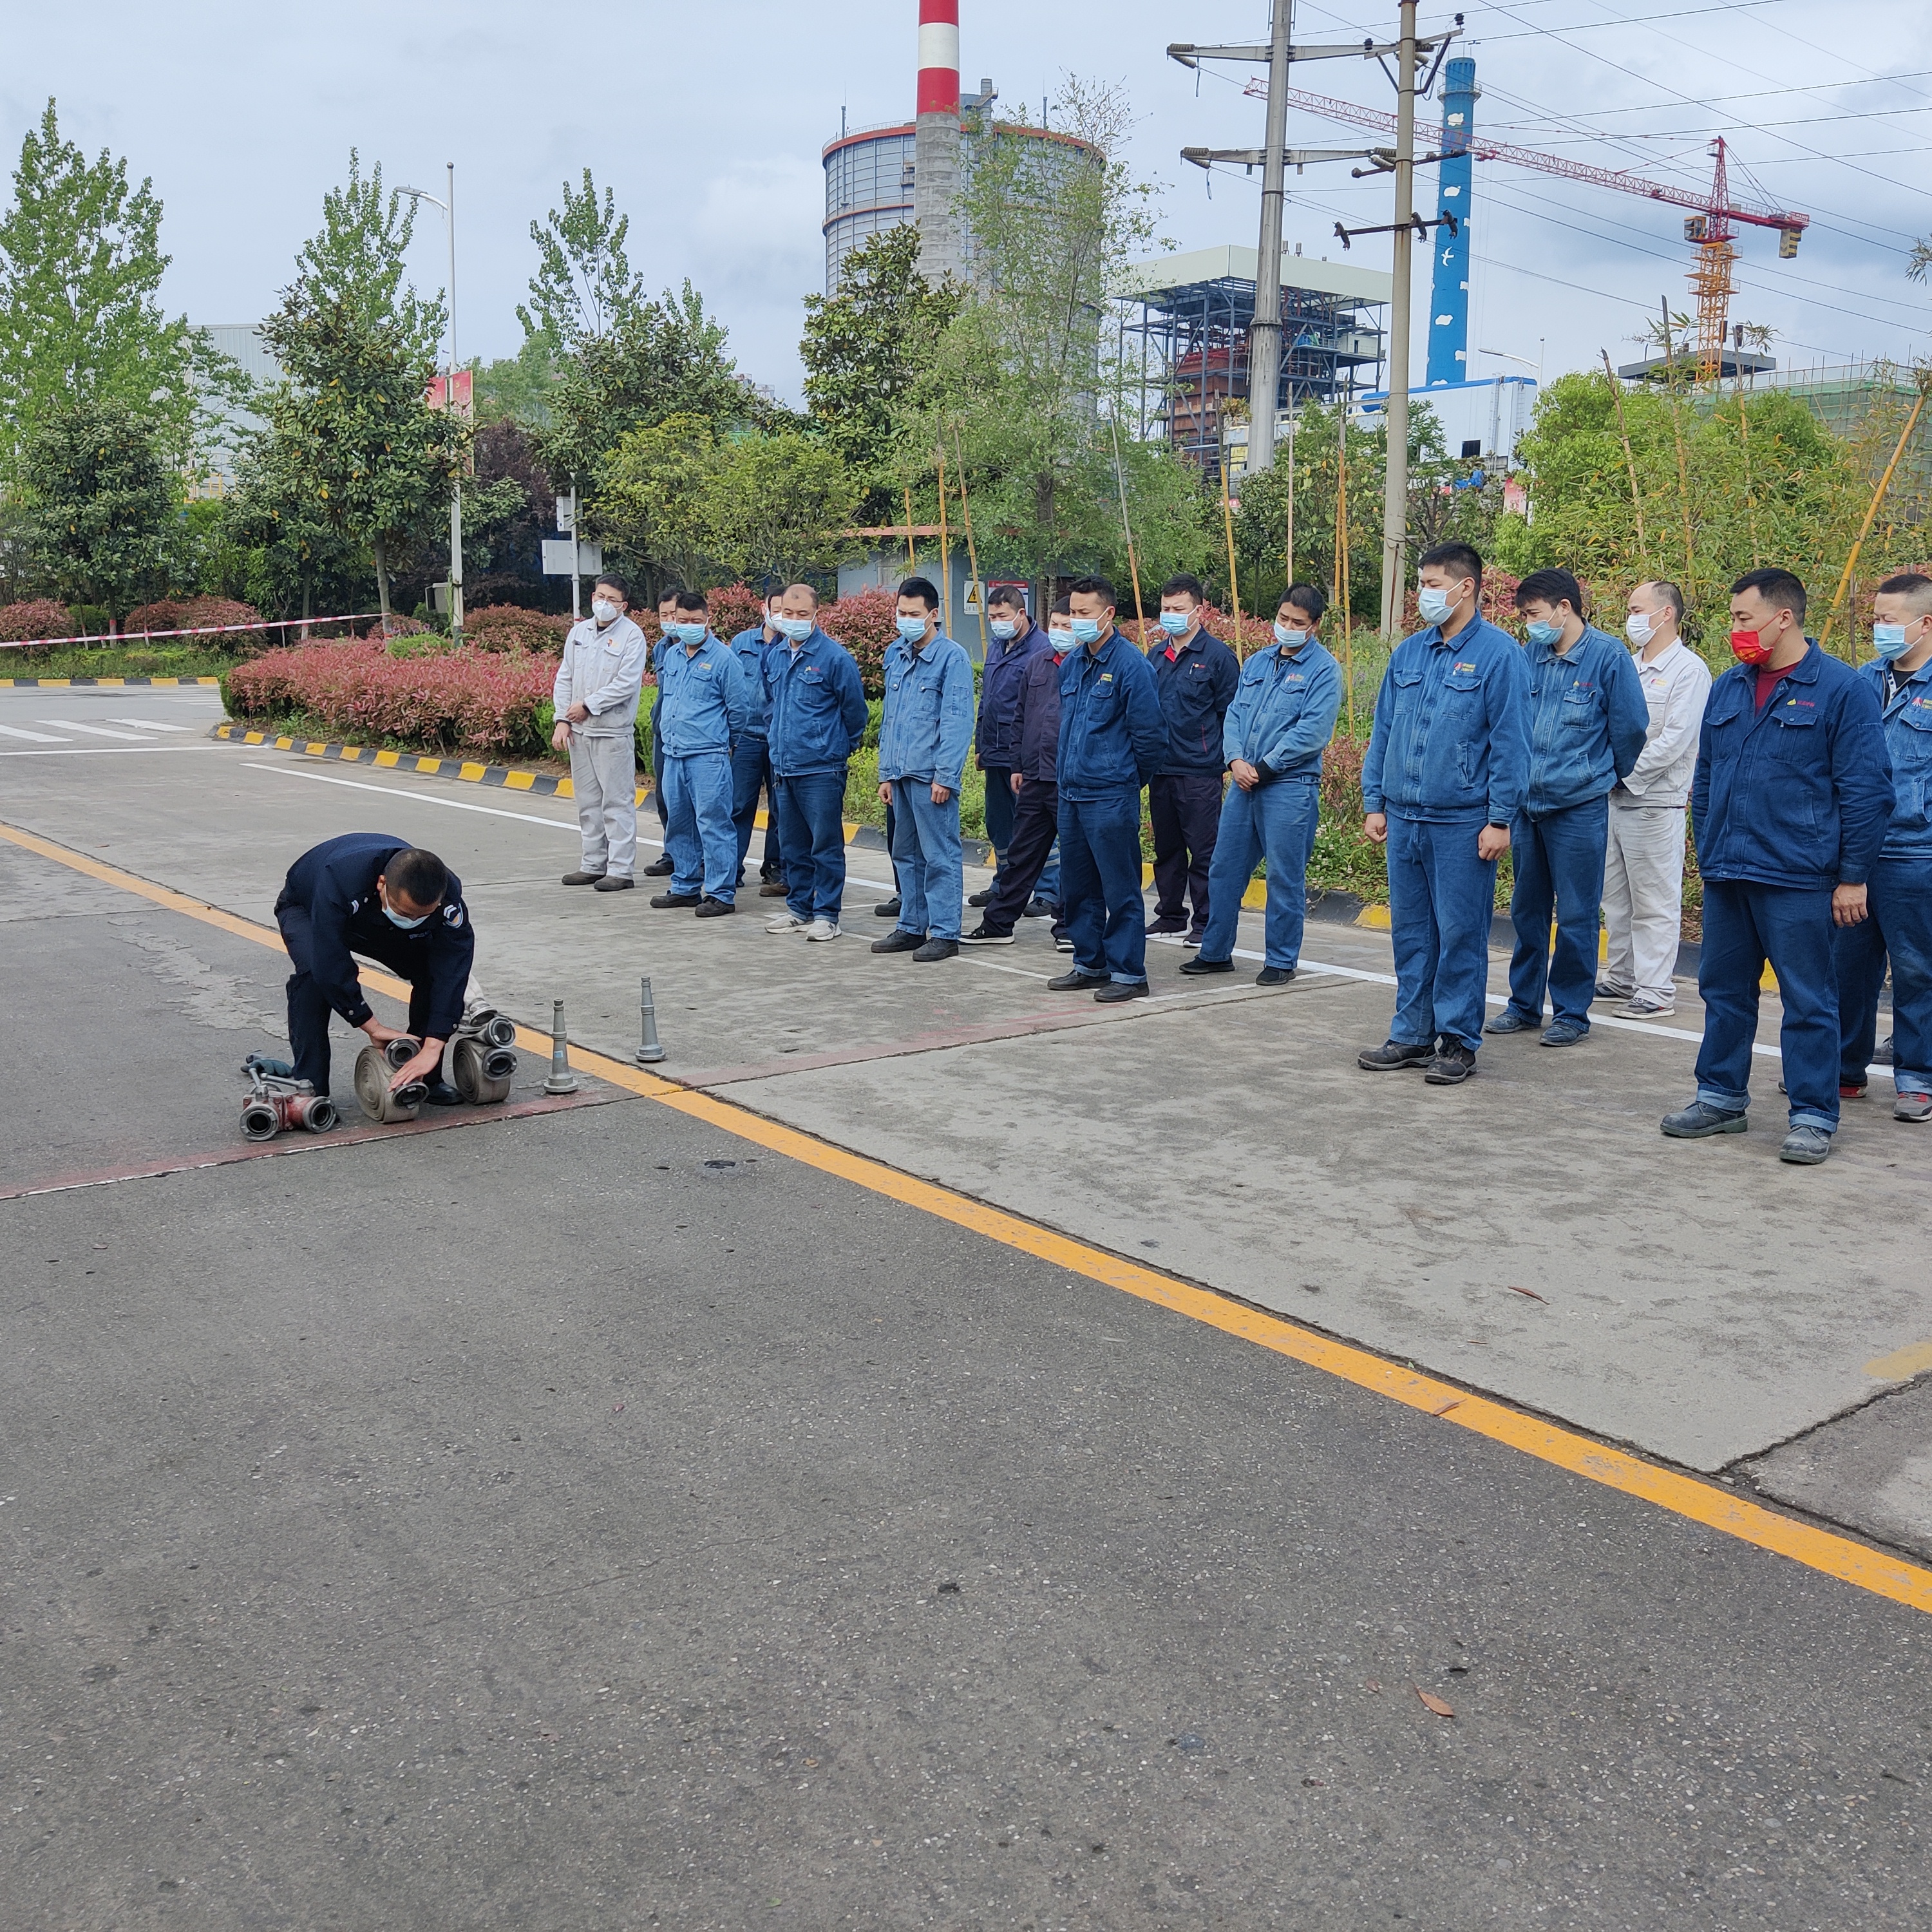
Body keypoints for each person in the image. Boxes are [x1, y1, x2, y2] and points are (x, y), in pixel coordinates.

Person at [1661, 567, 1892, 1164]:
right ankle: (1719, 1097)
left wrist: (1853, 875)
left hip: (1799, 876)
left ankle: (1814, 1114)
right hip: (1730, 872)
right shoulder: (1730, 687)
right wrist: (1708, 848)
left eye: (1744, 619)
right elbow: (1706, 776)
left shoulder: (1842, 690)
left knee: (1809, 999)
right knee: (1724, 991)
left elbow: (1867, 791)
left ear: (1783, 618)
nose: (1735, 631)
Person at [1358, 542, 1530, 1085]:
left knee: (1460, 934)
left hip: (1462, 820)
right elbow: (1383, 731)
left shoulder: (1501, 655)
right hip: (1405, 816)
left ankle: (1457, 1041)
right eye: (1422, 584)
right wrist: (1374, 802)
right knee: (1411, 933)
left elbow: (1511, 745)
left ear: (1466, 588)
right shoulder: (1408, 653)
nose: (1423, 595)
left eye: (1432, 585)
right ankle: (1411, 1033)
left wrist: (1500, 819)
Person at [1484, 567, 1649, 1046]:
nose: (1529, 623)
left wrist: (1599, 776)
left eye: (1534, 614)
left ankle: (1572, 1012)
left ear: (1564, 608)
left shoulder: (1607, 657)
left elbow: (1631, 728)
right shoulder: (1527, 656)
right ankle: (1524, 1004)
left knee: (1576, 913)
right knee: (1526, 910)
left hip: (1578, 806)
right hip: (1526, 805)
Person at [1181, 585, 1343, 985]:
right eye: (1284, 618)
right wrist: (1235, 760)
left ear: (1315, 626)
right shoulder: (1257, 662)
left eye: (1298, 623)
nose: (1287, 627)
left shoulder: (1324, 670)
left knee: (1283, 877)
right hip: (1243, 782)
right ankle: (1216, 951)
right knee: (1224, 870)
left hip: (1288, 785)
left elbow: (1312, 731)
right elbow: (1234, 715)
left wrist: (1266, 767)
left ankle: (1281, 959)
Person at [274, 835, 474, 1108]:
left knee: (432, 970)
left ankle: (425, 1075)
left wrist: (434, 1045)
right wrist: (370, 1025)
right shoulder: (340, 879)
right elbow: (330, 964)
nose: (413, 921)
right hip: (308, 906)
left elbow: (453, 969)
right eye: (406, 913)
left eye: (422, 916)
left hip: (377, 918)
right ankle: (309, 1086)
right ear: (382, 883)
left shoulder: (449, 896)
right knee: (312, 976)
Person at [1834, 571, 1932, 1124]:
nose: (1879, 630)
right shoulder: (1860, 682)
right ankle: (1844, 1070)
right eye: (1875, 620)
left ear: (1925, 624)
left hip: (1916, 853)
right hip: (1856, 852)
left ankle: (1917, 1076)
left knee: (1917, 970)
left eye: (1889, 621)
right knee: (1848, 967)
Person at [1048, 575, 1168, 1002]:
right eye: (1073, 613)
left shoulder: (1131, 665)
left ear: (1108, 614)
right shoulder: (1076, 661)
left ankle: (1129, 973)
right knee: (1078, 886)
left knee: (1120, 888)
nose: (1077, 621)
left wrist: (1127, 780)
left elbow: (1151, 736)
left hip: (1110, 794)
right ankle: (1090, 962)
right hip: (1073, 792)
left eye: (1084, 614)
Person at [1596, 578, 1711, 1019]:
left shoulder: (1689, 670)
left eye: (1638, 609)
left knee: (1654, 901)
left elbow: (1676, 741)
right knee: (1616, 898)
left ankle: (1656, 989)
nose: (1631, 618)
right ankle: (1623, 976)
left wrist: (1624, 775)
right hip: (1612, 797)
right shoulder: (1627, 665)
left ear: (1666, 614)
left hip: (1653, 801)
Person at [872, 576, 976, 963]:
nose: (906, 620)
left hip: (931, 775)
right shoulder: (895, 654)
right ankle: (911, 926)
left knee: (939, 856)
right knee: (906, 855)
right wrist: (885, 772)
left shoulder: (952, 658)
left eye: (914, 614)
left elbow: (956, 721)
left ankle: (946, 933)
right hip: (900, 774)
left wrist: (945, 776)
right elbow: (890, 719)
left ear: (934, 614)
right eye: (901, 613)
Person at [963, 596, 1073, 946]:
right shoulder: (1034, 661)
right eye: (1056, 624)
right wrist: (1013, 762)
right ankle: (998, 923)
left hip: (1068, 776)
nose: (1061, 631)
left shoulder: (1090, 663)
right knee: (1016, 844)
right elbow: (1015, 714)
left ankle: (1064, 919)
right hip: (1027, 770)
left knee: (1070, 851)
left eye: (1068, 625)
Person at [765, 582, 869, 941]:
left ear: (816, 615)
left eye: (802, 615)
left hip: (822, 768)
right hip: (784, 766)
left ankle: (827, 914)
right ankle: (798, 908)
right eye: (787, 614)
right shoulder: (775, 654)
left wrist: (837, 747)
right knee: (792, 844)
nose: (793, 620)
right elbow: (771, 705)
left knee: (825, 844)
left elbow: (855, 712)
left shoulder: (835, 658)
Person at [1145, 573, 1240, 944]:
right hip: (1161, 769)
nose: (1170, 615)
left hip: (1200, 771)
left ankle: (1205, 923)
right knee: (1166, 849)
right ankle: (1170, 915)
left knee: (1204, 852)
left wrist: (1228, 758)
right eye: (1166, 609)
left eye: (1178, 609)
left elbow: (1230, 714)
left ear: (1198, 611)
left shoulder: (1218, 658)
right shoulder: (1155, 655)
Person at [650, 590, 752, 916]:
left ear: (708, 621)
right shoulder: (672, 656)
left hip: (708, 754)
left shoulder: (724, 659)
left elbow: (740, 710)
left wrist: (726, 742)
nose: (689, 626)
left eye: (696, 621)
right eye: (682, 621)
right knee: (678, 823)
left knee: (713, 823)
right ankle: (685, 885)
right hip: (674, 753)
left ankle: (721, 892)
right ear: (674, 620)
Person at [551, 572, 647, 892]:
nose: (603, 604)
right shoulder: (579, 632)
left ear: (623, 606)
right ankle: (593, 864)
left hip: (612, 732)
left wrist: (589, 705)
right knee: (588, 802)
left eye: (611, 600)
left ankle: (620, 870)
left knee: (616, 803)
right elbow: (565, 677)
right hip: (579, 731)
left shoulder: (632, 637)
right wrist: (562, 718)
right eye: (599, 597)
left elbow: (626, 684)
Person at [970, 584, 1049, 911]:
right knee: (999, 822)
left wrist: (1025, 756)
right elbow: (987, 699)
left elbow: (1041, 708)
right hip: (995, 750)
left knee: (1034, 825)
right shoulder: (996, 647)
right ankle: (1004, 882)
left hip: (1024, 755)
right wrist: (980, 743)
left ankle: (1048, 889)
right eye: (992, 616)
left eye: (1002, 616)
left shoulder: (1041, 649)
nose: (996, 622)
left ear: (1021, 613)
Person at [727, 591, 788, 895]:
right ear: (764, 609)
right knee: (739, 805)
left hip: (779, 740)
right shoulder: (742, 644)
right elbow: (729, 690)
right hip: (747, 737)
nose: (779, 615)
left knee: (781, 809)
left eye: (785, 610)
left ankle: (775, 868)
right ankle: (731, 867)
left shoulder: (793, 645)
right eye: (775, 609)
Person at [641, 587, 682, 876]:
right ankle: (672, 853)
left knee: (691, 801)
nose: (669, 620)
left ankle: (698, 858)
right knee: (664, 797)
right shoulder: (660, 648)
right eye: (663, 615)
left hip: (691, 736)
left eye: (674, 614)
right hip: (663, 731)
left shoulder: (709, 651)